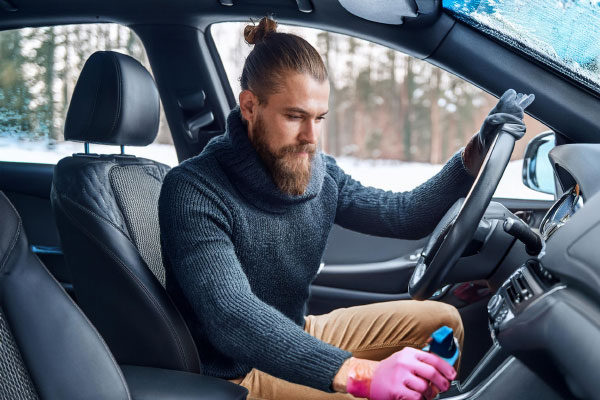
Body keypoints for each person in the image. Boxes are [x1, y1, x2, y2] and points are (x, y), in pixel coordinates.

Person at [158, 16, 533, 400]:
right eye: (294, 117)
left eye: (319, 118)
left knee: (441, 321)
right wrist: (358, 375)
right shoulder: (194, 190)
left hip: (294, 329)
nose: (310, 137)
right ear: (250, 106)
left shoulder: (319, 173)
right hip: (232, 373)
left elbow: (404, 214)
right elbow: (231, 316)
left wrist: (475, 154)